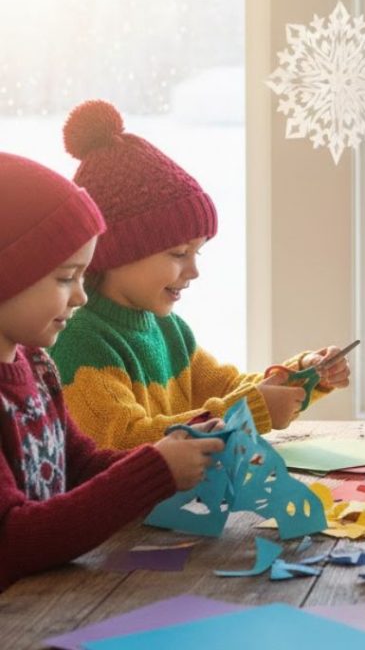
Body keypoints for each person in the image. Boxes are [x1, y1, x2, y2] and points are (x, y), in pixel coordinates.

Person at [51, 100, 351, 450]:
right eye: (179, 253)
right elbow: (124, 442)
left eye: (197, 252)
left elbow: (230, 388)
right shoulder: (79, 342)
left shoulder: (168, 330)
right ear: (116, 251)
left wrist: (302, 374)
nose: (193, 270)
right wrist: (249, 412)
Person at [0, 152, 223, 589]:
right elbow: (12, 539)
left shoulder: (37, 366)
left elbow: (80, 464)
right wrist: (156, 471)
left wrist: (174, 454)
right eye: (66, 278)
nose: (82, 296)